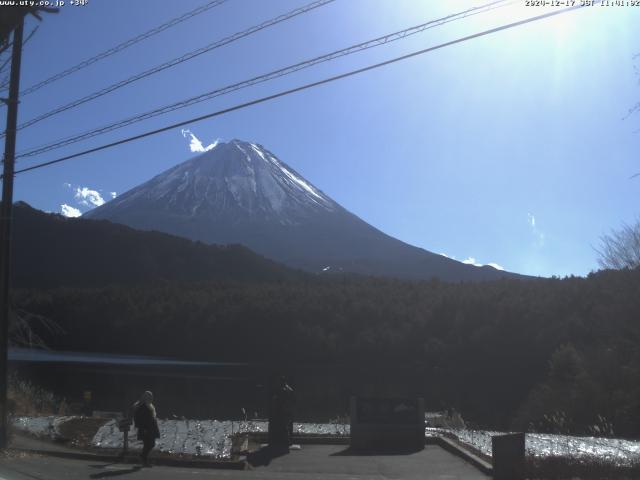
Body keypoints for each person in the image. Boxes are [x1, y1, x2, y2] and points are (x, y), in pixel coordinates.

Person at [133, 391, 160, 467]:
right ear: (145, 397)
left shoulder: (148, 405)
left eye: (151, 396)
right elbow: (141, 419)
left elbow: (150, 417)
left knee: (149, 444)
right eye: (149, 397)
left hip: (150, 427)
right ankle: (143, 459)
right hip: (146, 428)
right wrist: (144, 428)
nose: (151, 398)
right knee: (149, 444)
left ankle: (143, 459)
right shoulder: (143, 406)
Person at [268, 376, 294, 451]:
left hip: (284, 411)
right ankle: (287, 442)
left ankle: (285, 442)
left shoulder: (283, 390)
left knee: (284, 426)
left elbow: (279, 401)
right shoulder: (289, 389)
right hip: (288, 411)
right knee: (287, 426)